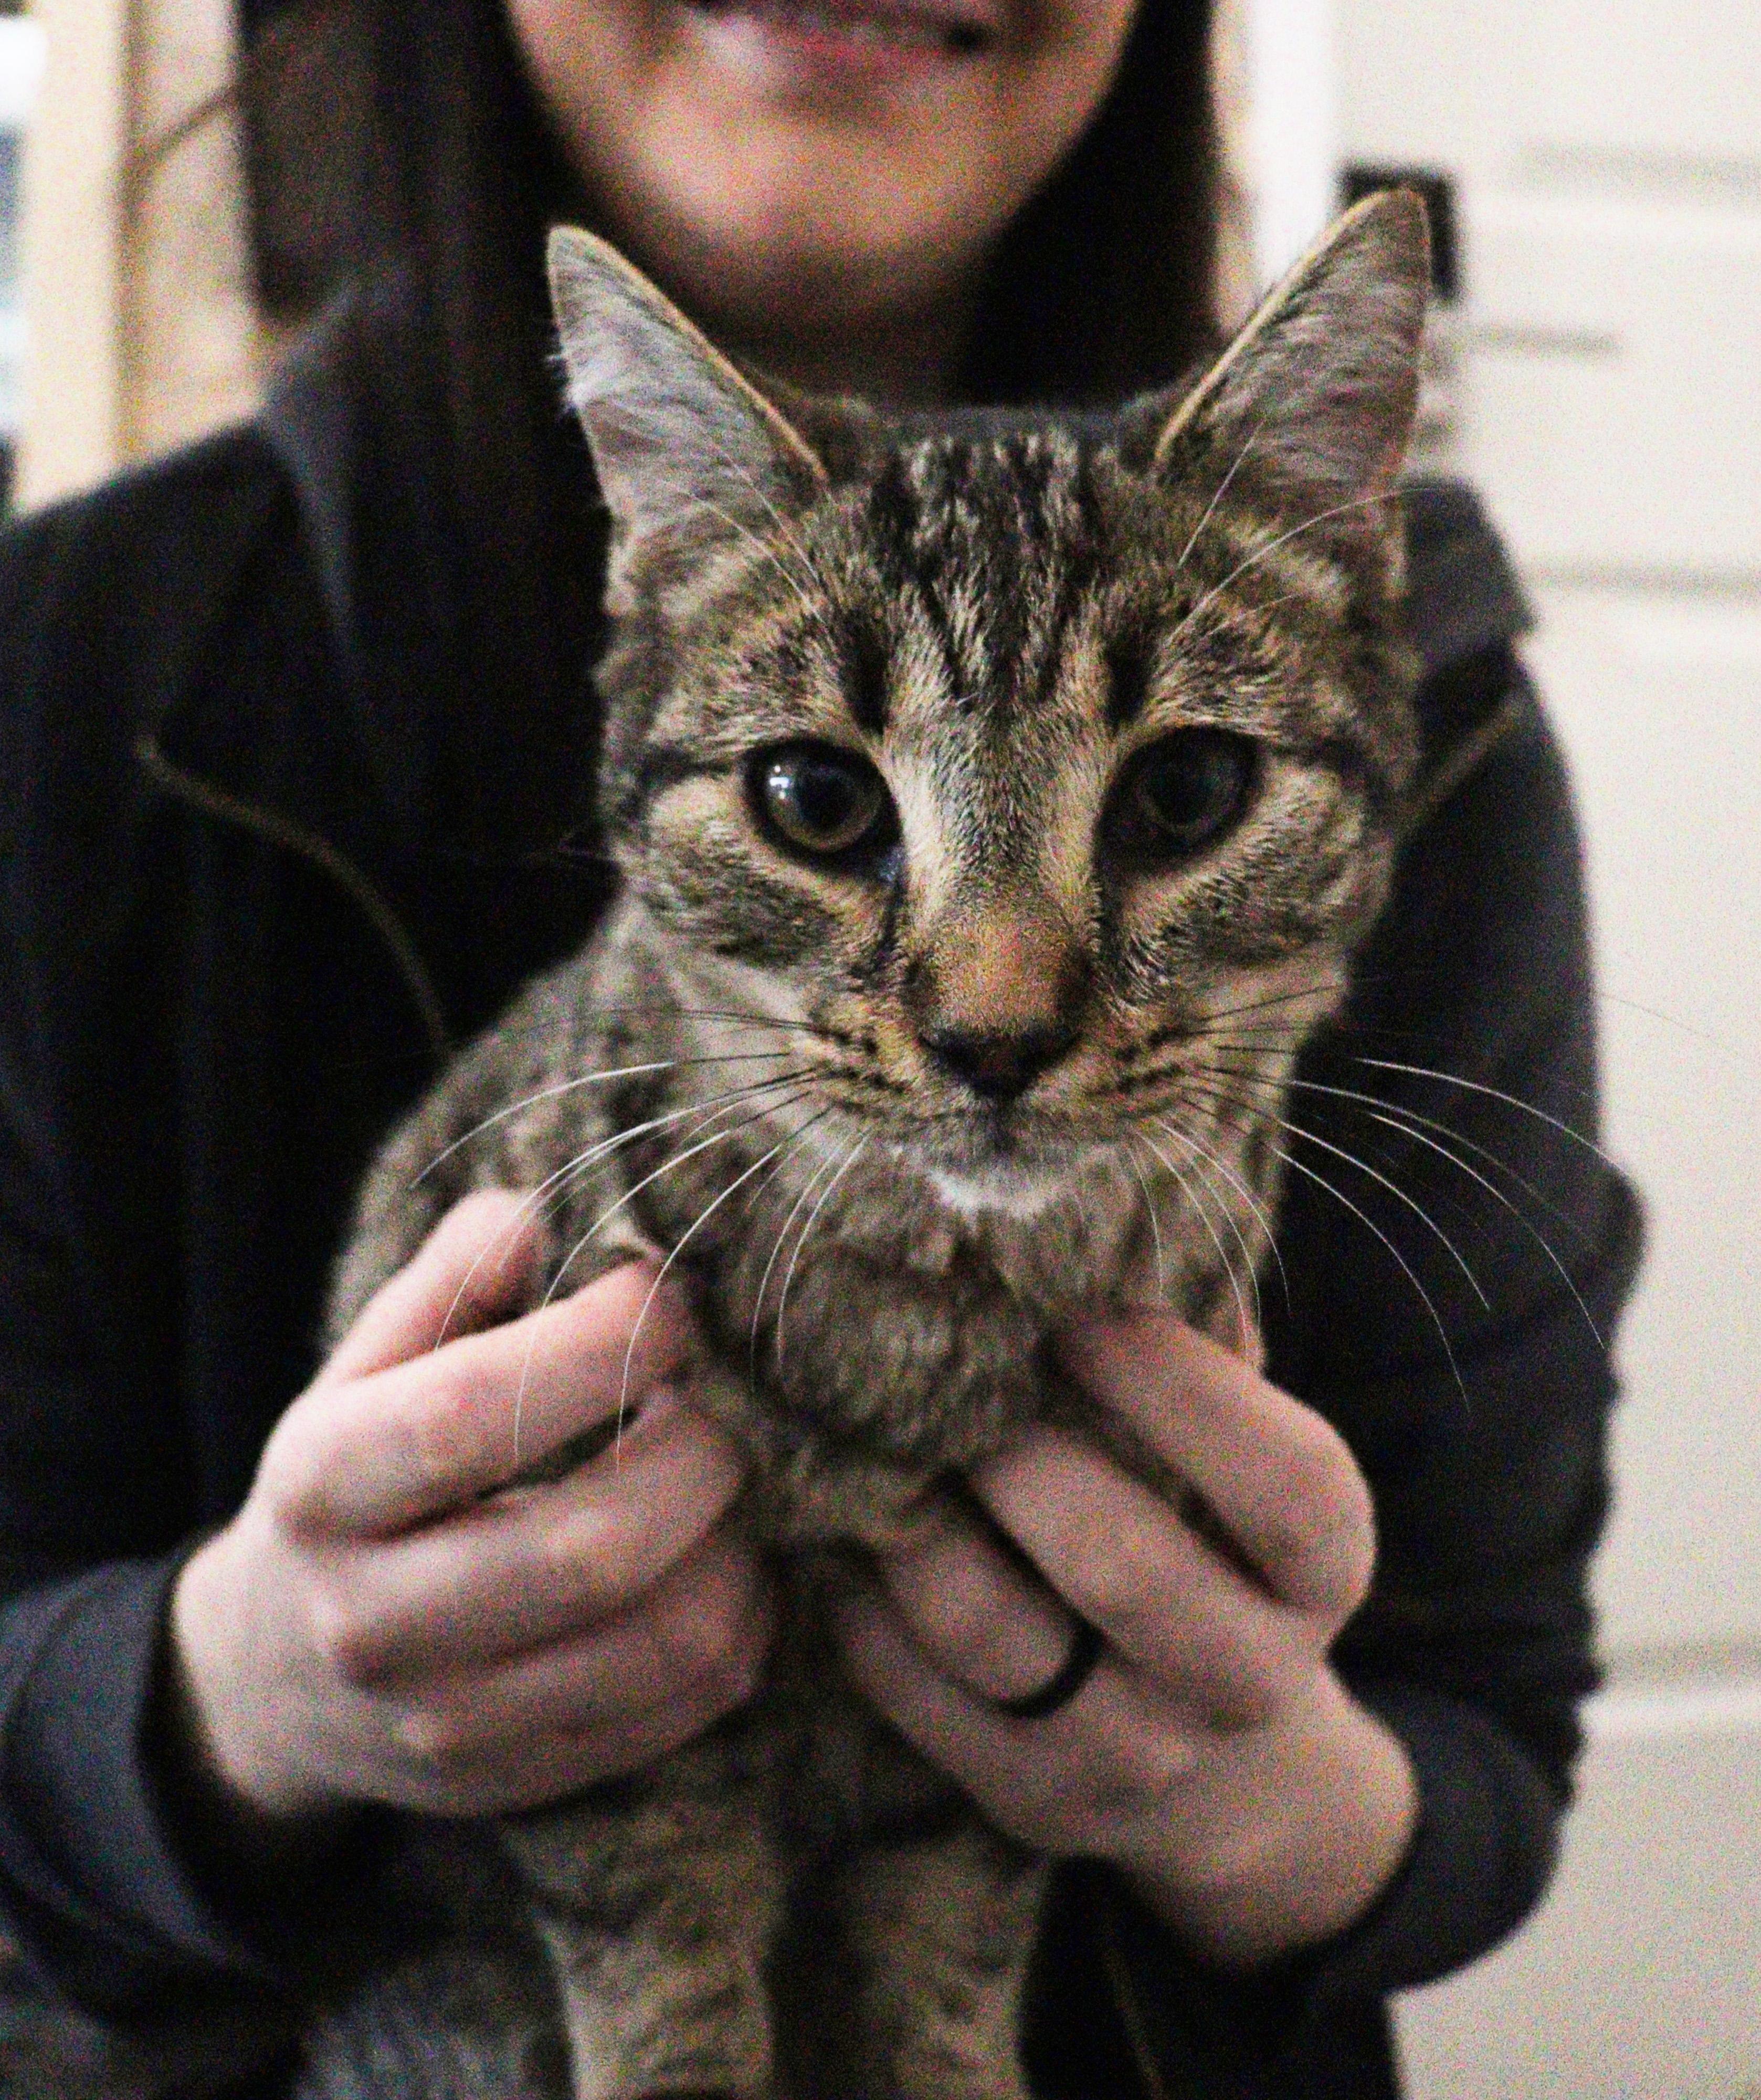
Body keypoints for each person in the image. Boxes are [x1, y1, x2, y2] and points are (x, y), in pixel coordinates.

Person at [0, 2, 1641, 2095]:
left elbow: (1488, 1747)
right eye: (822, 805)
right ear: (651, 558)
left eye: (1167, 800)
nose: (992, 1011)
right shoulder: (61, 679)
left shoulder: (1454, 742)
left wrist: (1246, 1785)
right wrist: (238, 1692)